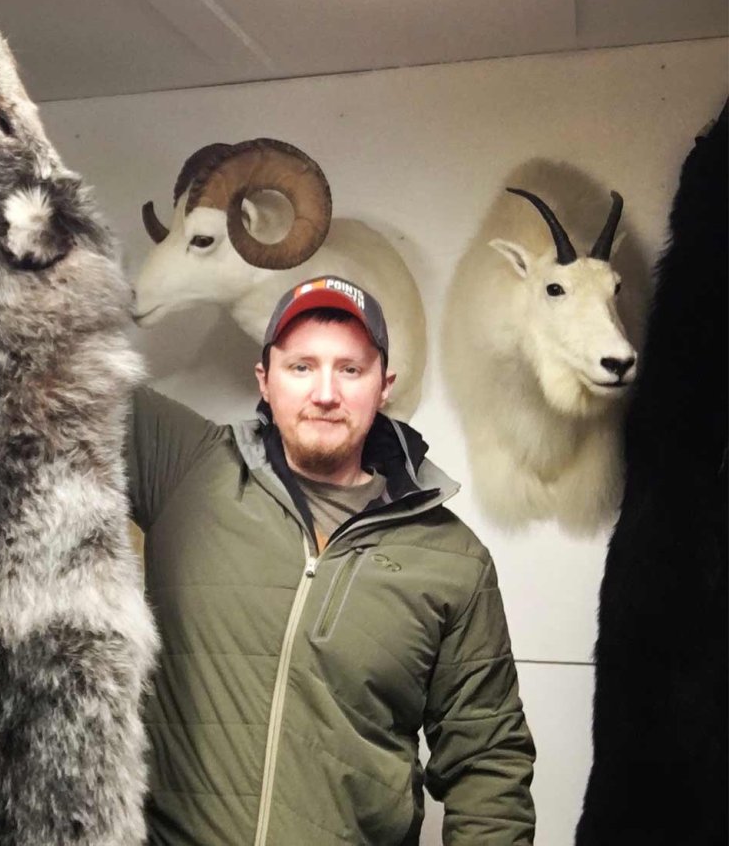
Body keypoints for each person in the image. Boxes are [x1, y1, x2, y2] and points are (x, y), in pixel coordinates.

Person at [127, 275, 536, 845]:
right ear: (264, 380)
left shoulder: (453, 558)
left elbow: (489, 766)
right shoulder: (185, 466)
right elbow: (40, 366)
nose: (325, 392)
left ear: (384, 385)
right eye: (301, 367)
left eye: (350, 369)